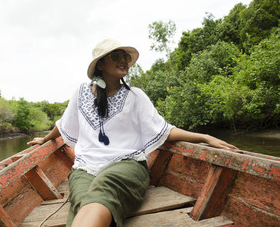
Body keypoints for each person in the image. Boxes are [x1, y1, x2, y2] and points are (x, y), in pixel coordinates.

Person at [27, 39, 237, 227]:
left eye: (126, 57)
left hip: (127, 164)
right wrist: (46, 139)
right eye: (116, 56)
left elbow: (164, 130)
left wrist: (205, 137)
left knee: (104, 189)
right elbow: (65, 124)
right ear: (100, 64)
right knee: (83, 200)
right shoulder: (81, 93)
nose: (124, 61)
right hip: (86, 167)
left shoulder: (136, 96)